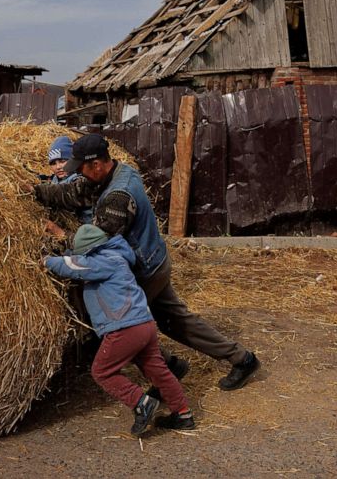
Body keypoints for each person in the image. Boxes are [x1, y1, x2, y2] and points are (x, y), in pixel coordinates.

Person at [32, 133, 260, 392]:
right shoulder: (115, 172)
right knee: (175, 321)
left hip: (144, 270)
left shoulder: (118, 196)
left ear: (96, 164)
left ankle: (167, 374)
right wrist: (37, 192)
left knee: (120, 328)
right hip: (154, 260)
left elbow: (95, 244)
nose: (78, 175)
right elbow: (73, 193)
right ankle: (241, 359)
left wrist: (61, 236)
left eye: (81, 169)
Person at [43, 224, 195, 435]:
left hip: (125, 328)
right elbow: (80, 261)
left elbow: (73, 266)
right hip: (144, 324)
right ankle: (183, 413)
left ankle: (141, 402)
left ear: (91, 250)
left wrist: (44, 261)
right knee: (158, 371)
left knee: (102, 371)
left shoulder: (104, 262)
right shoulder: (115, 256)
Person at [46, 136, 93, 223]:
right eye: (53, 163)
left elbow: (65, 193)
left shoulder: (80, 179)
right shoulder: (56, 178)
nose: (58, 167)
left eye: (62, 161)